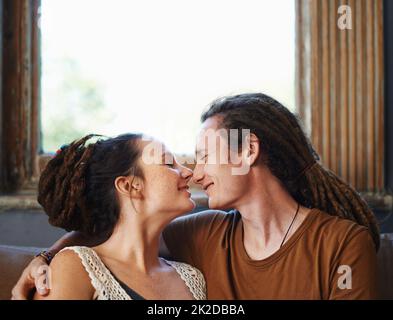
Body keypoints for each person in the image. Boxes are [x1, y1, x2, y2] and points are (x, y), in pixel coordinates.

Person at [13, 93, 379, 300]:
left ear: (246, 151)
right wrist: (46, 256)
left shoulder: (343, 244)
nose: (195, 173)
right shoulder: (204, 234)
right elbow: (113, 236)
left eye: (204, 156)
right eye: (177, 162)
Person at [28, 133, 206, 300]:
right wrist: (45, 256)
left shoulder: (191, 279)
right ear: (129, 186)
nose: (188, 172)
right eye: (168, 163)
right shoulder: (75, 266)